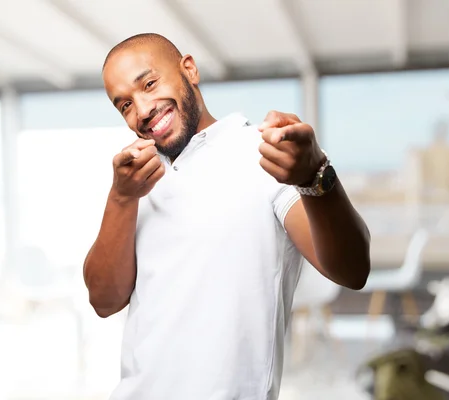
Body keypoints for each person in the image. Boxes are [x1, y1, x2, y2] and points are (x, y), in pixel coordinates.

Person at [84, 33, 371, 400]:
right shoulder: (136, 181)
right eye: (124, 105)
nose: (141, 111)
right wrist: (121, 198)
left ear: (189, 70)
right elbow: (103, 300)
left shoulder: (264, 151)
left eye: (150, 84)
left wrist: (315, 176)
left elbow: (352, 270)